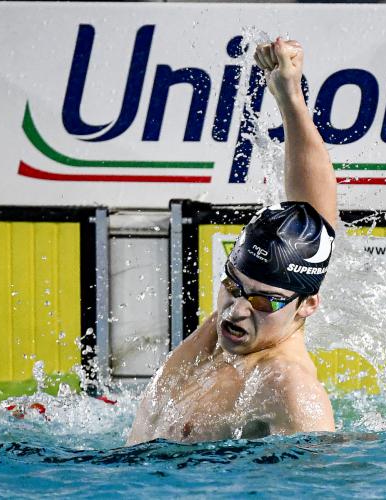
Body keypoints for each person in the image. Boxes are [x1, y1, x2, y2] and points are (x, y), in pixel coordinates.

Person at [127, 38, 338, 445]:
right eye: (232, 286)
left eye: (262, 300)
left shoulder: (287, 388)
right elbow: (311, 223)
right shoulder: (230, 338)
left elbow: (322, 473)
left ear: (307, 304)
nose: (237, 310)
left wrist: (293, 98)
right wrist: (287, 97)